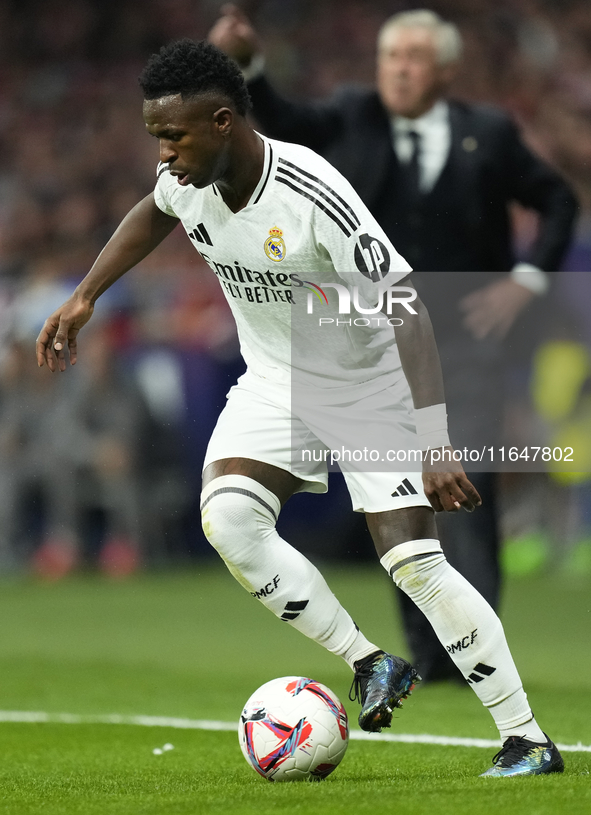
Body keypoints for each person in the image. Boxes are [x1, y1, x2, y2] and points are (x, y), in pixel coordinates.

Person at [36, 38, 563, 777]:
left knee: (413, 561)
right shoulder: (184, 177)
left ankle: (527, 738)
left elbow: (407, 307)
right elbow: (151, 212)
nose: (162, 152)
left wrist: (434, 440)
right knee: (227, 518)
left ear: (223, 121)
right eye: (155, 134)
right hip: (278, 377)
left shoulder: (309, 190)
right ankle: (372, 659)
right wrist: (86, 294)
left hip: (371, 383)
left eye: (173, 134)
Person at [208, 6, 579, 683]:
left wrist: (526, 279)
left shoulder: (487, 134)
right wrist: (249, 66)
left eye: (412, 57)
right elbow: (281, 121)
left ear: (443, 70)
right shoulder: (352, 115)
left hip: (462, 347)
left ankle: (467, 658)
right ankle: (428, 656)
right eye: (389, 56)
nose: (398, 68)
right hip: (364, 349)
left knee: (461, 487)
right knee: (395, 500)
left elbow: (556, 199)